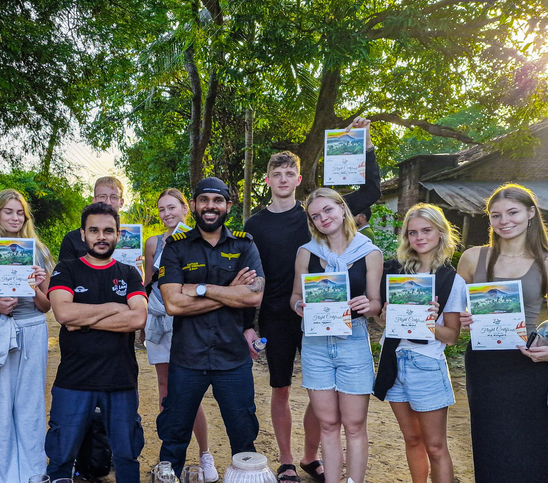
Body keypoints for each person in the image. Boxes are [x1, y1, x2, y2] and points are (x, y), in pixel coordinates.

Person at [244, 117, 380, 483]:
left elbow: (369, 193)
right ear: (269, 180)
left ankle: (309, 456)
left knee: (324, 391)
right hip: (279, 313)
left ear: (299, 179)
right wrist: (246, 324)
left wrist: (363, 146)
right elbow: (247, 277)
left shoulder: (314, 216)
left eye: (290, 173)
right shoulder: (253, 226)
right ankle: (287, 459)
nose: (284, 179)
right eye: (277, 174)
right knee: (281, 387)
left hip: (329, 317)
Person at [457, 183, 548, 483]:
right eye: (496, 215)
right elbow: (450, 310)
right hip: (484, 365)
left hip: (528, 365)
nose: (504, 221)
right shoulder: (472, 258)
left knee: (528, 448)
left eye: (513, 212)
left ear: (531, 213)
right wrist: (462, 317)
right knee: (489, 443)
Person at [157, 177, 265, 475]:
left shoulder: (244, 245)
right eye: (204, 200)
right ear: (193, 205)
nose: (210, 206)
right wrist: (231, 291)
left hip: (232, 359)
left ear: (227, 206)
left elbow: (254, 295)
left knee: (244, 438)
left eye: (217, 201)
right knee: (174, 438)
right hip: (186, 359)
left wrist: (201, 288)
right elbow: (173, 304)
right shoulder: (176, 247)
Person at [45, 202, 148, 483]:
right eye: (94, 230)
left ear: (118, 235)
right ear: (83, 234)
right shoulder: (67, 268)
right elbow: (63, 313)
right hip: (74, 380)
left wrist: (83, 319)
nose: (101, 236)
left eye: (108, 231)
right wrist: (116, 308)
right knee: (61, 457)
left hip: (121, 380)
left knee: (127, 457)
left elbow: (138, 318)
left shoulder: (129, 273)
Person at [290, 187, 383, 483]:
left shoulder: (370, 253)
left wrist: (369, 305)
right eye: (315, 216)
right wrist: (299, 305)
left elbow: (376, 303)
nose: (323, 218)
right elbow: (294, 295)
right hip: (316, 343)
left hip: (353, 340)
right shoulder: (307, 253)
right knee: (328, 424)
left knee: (354, 426)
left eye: (327, 210)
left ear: (342, 209)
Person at [373, 204, 463, 483]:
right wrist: (384, 317)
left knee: (435, 446)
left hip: (427, 365)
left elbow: (451, 336)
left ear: (440, 232)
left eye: (426, 230)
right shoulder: (395, 273)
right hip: (393, 361)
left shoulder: (451, 278)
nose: (419, 237)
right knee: (412, 439)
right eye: (413, 232)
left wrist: (429, 323)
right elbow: (381, 322)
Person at [0, 189, 54, 483]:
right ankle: (4, 476)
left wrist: (35, 286)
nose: (15, 218)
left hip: (32, 329)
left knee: (31, 404)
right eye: (8, 212)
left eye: (20, 212)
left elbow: (47, 306)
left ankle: (34, 473)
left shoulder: (38, 250)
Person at [143, 188, 217, 482]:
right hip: (157, 321)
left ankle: (205, 454)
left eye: (172, 207)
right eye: (161, 209)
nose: (166, 214)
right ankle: (169, 459)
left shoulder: (195, 239)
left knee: (189, 392)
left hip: (186, 322)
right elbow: (149, 283)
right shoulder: (152, 242)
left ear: (186, 209)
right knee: (166, 391)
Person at [59, 176, 125, 261]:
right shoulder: (72, 239)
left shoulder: (132, 238)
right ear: (94, 200)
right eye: (102, 196)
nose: (108, 202)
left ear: (121, 202)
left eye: (114, 197)